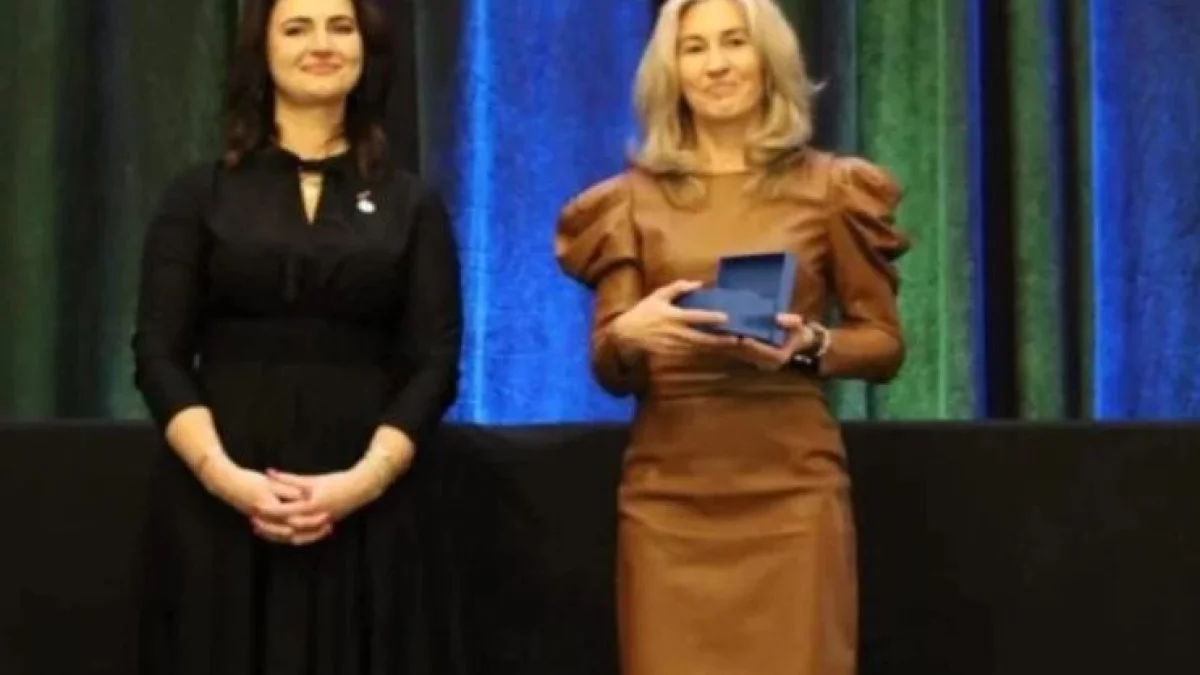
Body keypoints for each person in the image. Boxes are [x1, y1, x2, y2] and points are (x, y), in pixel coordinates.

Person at [555, 0, 910, 673]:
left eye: (734, 43)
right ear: (671, 71)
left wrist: (811, 345)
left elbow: (884, 344)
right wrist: (632, 332)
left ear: (768, 60)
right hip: (669, 500)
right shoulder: (626, 201)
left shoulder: (833, 188)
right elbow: (608, 362)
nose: (716, 64)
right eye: (694, 48)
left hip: (792, 495)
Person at [130, 0, 461, 673]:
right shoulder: (199, 194)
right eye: (297, 27)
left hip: (371, 511)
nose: (322, 43)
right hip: (221, 511)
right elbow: (158, 353)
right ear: (263, 51)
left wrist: (362, 482)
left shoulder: (412, 203)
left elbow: (435, 361)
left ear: (367, 49)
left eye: (341, 26)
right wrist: (226, 479)